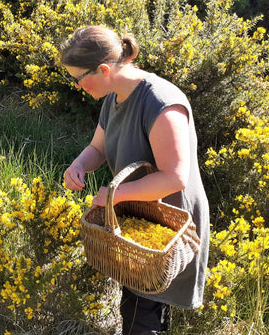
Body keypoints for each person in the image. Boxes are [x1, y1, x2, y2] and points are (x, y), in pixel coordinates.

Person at [61, 25, 210, 335]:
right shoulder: (113, 96)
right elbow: (97, 148)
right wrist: (78, 165)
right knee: (137, 305)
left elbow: (175, 177)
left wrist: (114, 195)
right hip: (139, 221)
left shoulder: (160, 102)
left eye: (78, 79)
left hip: (168, 229)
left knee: (143, 316)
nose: (76, 86)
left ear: (103, 69)